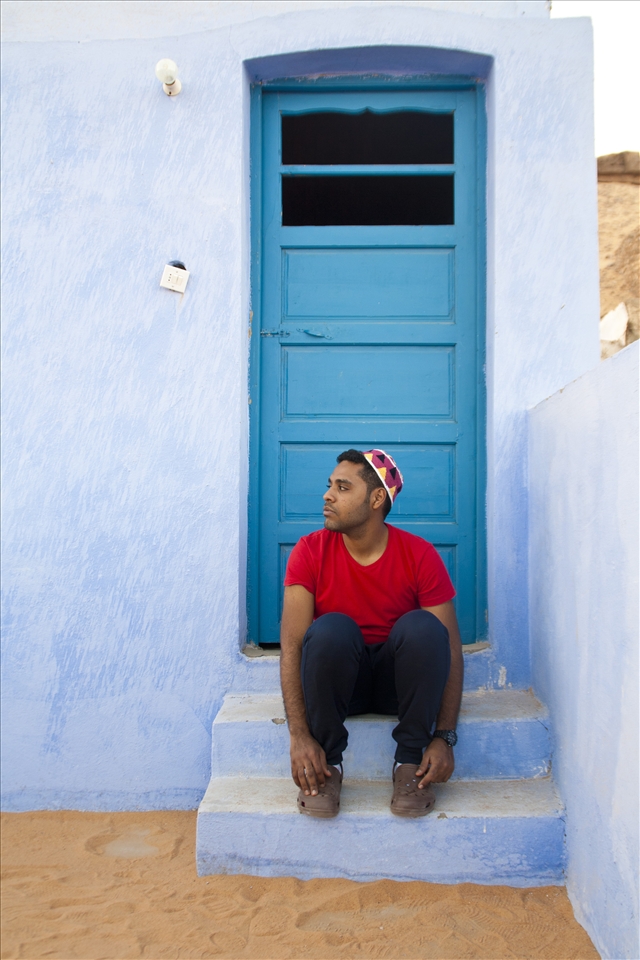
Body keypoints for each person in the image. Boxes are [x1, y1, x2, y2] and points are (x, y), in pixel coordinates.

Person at [280, 448, 464, 819]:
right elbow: (292, 647)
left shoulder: (419, 555)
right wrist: (300, 737)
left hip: (399, 686)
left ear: (377, 498)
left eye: (343, 487)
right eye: (330, 485)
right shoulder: (310, 551)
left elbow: (452, 653)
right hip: (341, 687)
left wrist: (443, 737)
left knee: (425, 628)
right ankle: (327, 768)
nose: (327, 495)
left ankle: (410, 765)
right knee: (331, 628)